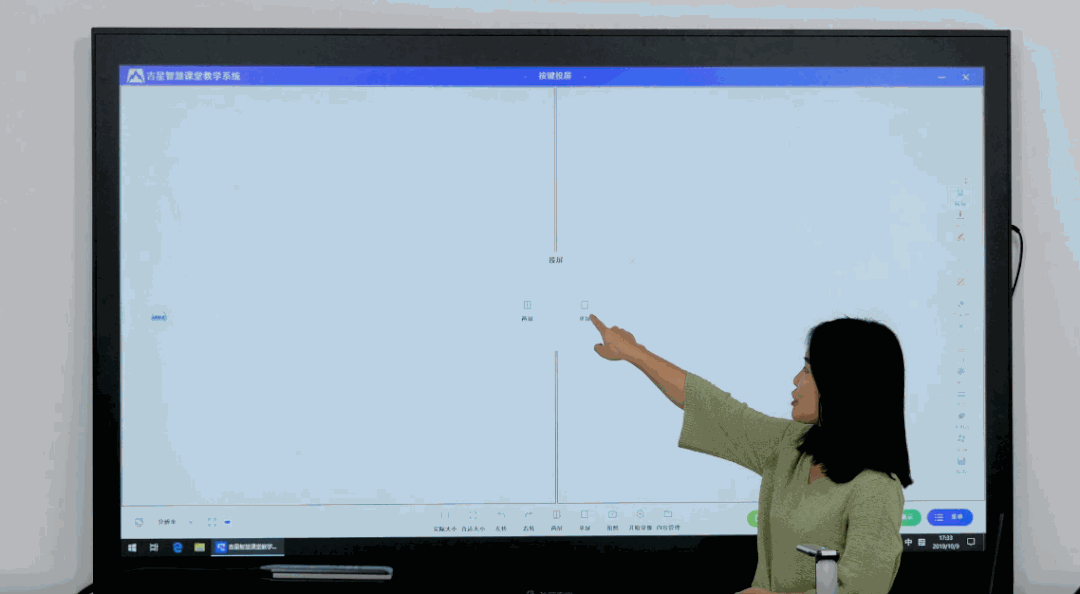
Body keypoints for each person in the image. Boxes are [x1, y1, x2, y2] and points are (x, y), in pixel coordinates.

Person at [590, 313, 912, 594]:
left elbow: (862, 590)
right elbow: (715, 408)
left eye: (808, 370)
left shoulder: (876, 489)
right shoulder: (791, 444)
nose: (796, 380)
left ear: (842, 383)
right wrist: (632, 352)